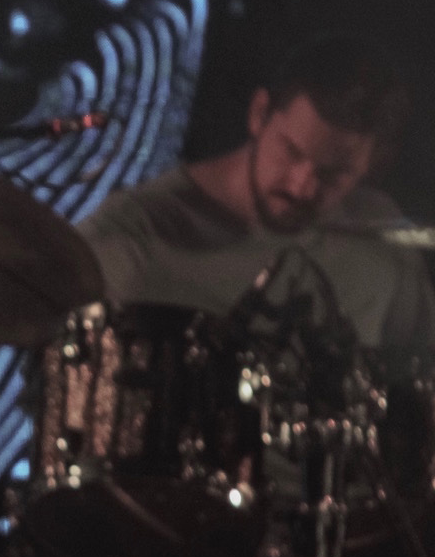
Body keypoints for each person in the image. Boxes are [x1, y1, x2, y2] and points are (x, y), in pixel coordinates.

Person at [82, 38, 434, 348]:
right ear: (259, 113)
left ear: (373, 166)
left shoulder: (383, 243)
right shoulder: (130, 236)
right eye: (291, 151)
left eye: (334, 174)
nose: (302, 186)